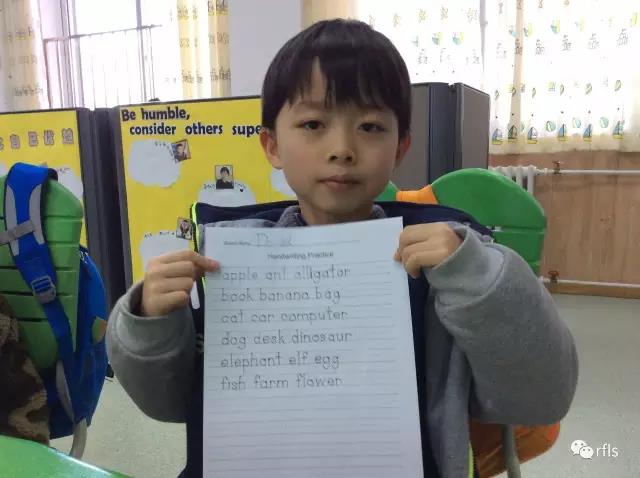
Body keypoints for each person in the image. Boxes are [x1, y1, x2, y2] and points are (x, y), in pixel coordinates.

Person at [107, 19, 578, 477]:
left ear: (400, 147)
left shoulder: (449, 263)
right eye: (313, 123)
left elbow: (540, 398)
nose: (342, 148)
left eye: (370, 127)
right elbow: (165, 404)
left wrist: (478, 278)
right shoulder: (228, 264)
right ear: (272, 146)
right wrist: (149, 321)